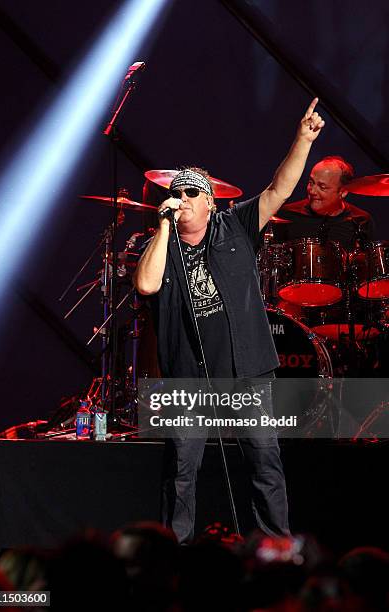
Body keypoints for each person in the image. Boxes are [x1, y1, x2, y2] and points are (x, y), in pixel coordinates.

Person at [133, 98, 325, 544]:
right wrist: (163, 227)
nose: (181, 200)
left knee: (265, 462)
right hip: (189, 377)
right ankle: (173, 550)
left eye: (190, 193)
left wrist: (302, 140)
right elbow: (145, 285)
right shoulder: (161, 244)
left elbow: (280, 189)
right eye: (176, 193)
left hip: (246, 371)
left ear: (209, 202)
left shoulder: (235, 226)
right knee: (181, 469)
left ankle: (276, 546)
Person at [273, 156, 374, 251]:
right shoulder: (286, 215)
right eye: (311, 183)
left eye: (322, 187)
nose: (312, 191)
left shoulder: (361, 220)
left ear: (343, 192)